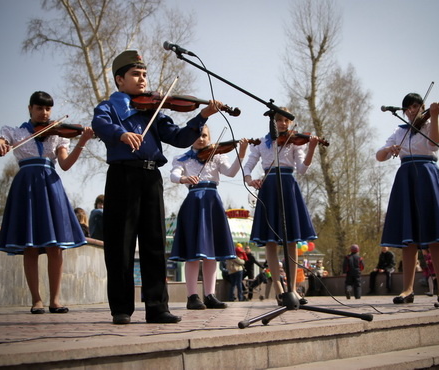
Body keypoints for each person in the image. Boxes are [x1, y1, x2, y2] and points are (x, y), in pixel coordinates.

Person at [91, 50, 223, 325]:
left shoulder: (153, 108)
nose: (142, 80)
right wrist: (121, 133)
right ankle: (121, 308)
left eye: (144, 74)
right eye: (136, 75)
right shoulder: (110, 107)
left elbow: (178, 137)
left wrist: (202, 117)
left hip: (152, 178)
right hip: (122, 176)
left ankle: (156, 307)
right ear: (120, 79)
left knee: (154, 243)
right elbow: (99, 124)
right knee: (120, 245)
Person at [0, 91, 93, 314]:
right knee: (30, 246)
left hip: (51, 186)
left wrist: (81, 141)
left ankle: (55, 299)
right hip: (26, 186)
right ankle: (36, 300)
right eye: (40, 108)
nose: (44, 113)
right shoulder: (15, 132)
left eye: (48, 109)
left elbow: (65, 165)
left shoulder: (57, 134)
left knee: (55, 247)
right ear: (30, 109)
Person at [376, 93, 439, 304]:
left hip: (427, 175)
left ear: (422, 107)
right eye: (408, 108)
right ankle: (407, 289)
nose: (412, 110)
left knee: (435, 236)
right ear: (404, 110)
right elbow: (380, 156)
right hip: (405, 177)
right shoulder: (399, 131)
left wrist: (433, 116)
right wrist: (390, 149)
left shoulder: (431, 124)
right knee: (409, 239)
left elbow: (434, 145)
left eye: (416, 106)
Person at [243, 108, 319, 305]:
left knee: (291, 240)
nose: (283, 124)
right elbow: (249, 165)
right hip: (268, 187)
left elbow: (301, 169)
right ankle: (278, 288)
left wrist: (311, 148)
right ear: (272, 121)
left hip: (287, 186)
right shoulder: (262, 142)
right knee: (270, 240)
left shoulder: (294, 142)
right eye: (279, 120)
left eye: (286, 120)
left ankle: (293, 289)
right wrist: (250, 179)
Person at [169, 125, 248, 309]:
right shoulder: (182, 158)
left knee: (211, 253)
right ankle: (192, 296)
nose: (201, 138)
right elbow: (174, 175)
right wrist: (183, 179)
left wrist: (241, 153)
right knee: (193, 253)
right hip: (194, 202)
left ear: (210, 138)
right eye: (197, 135)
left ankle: (210, 295)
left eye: (204, 135)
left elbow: (231, 172)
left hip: (213, 202)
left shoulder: (217, 156)